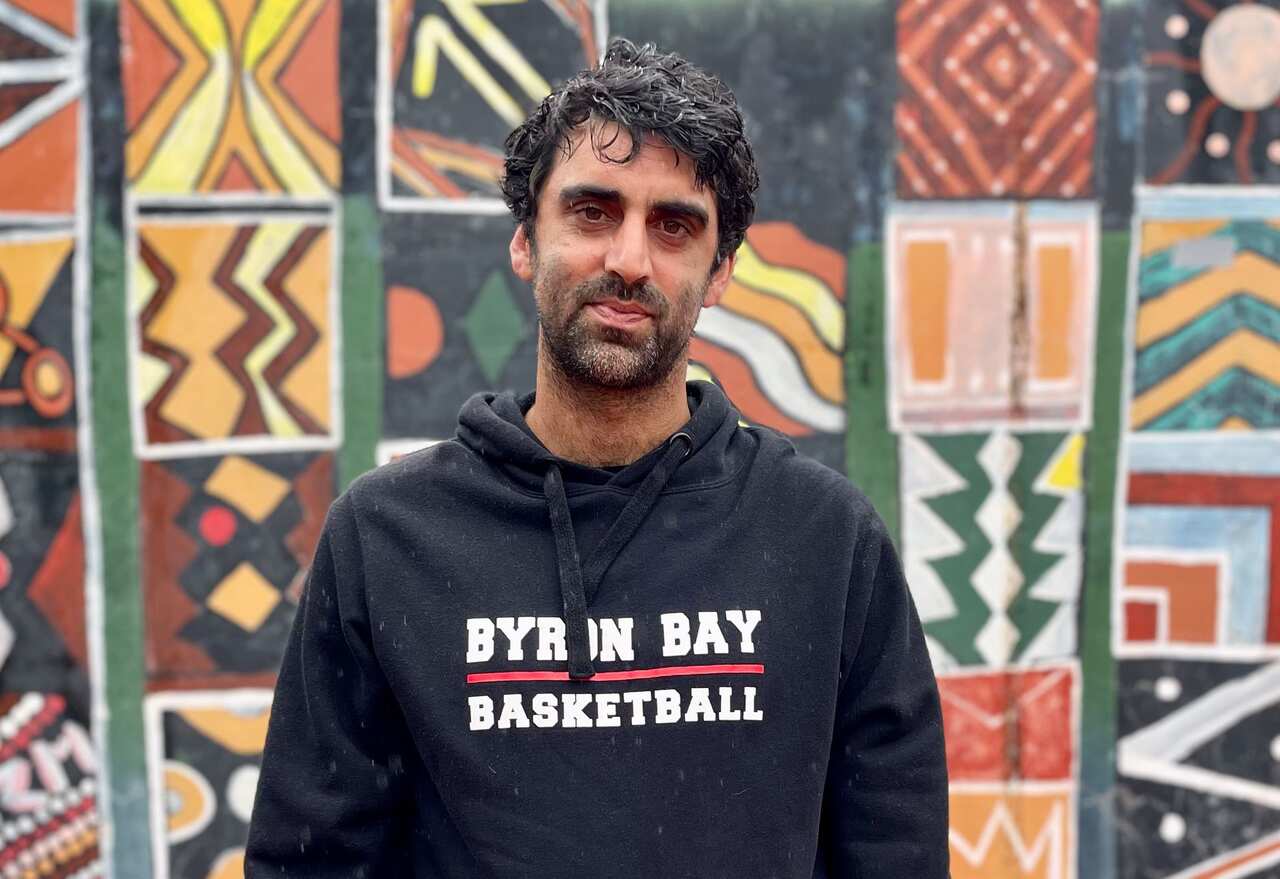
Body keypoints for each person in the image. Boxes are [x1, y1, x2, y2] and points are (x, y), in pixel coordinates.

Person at [246, 37, 949, 878]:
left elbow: (894, 855)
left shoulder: (824, 541)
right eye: (592, 211)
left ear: (719, 271)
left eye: (674, 226)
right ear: (523, 241)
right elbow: (309, 861)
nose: (628, 259)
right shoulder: (388, 535)